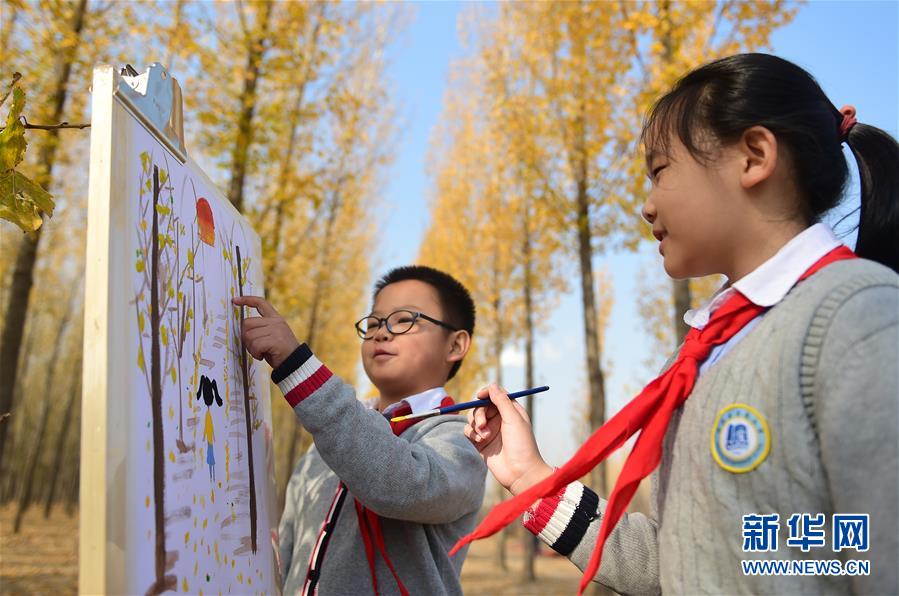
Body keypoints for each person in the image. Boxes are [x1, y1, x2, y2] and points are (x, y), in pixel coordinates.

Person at [455, 53, 899, 595]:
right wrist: (528, 475)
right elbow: (674, 558)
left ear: (754, 156)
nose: (645, 205)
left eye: (660, 171)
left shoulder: (857, 315)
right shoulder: (705, 349)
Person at [232, 265, 486, 595]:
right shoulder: (329, 436)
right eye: (374, 322)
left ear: (455, 345)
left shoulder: (461, 441)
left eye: (404, 319)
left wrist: (298, 367)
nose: (382, 332)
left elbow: (401, 483)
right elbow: (292, 542)